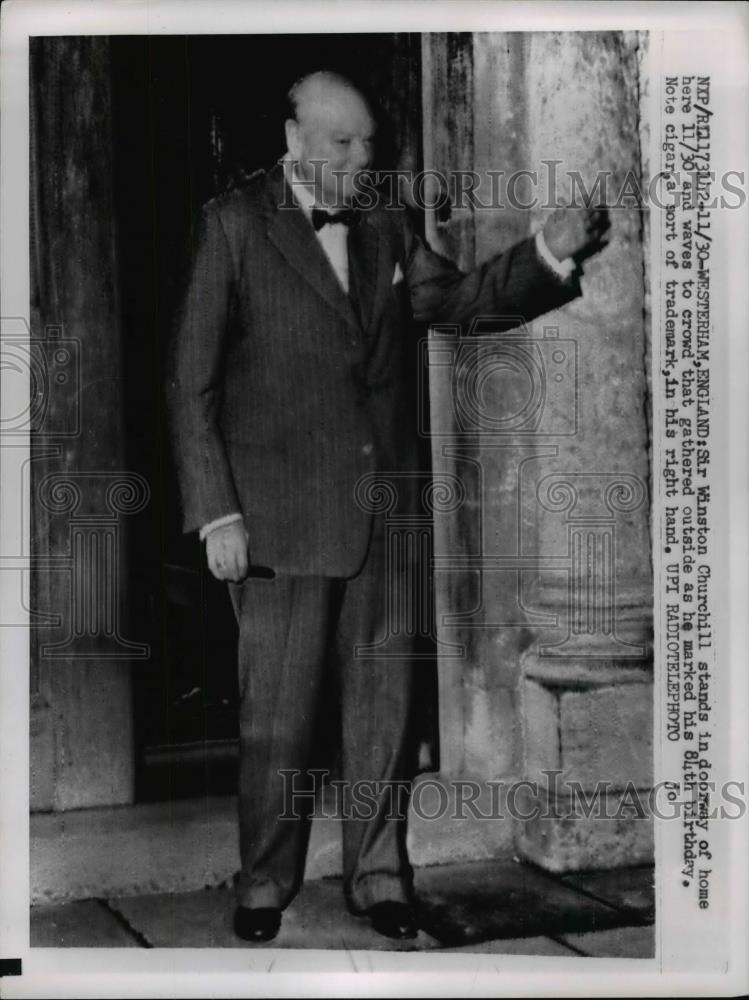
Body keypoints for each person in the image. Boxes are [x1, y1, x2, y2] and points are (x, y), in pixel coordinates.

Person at [166, 69, 609, 943]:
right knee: (274, 723)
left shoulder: (384, 222)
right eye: (343, 143)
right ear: (294, 140)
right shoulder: (231, 226)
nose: (362, 159)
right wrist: (217, 513)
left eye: (368, 141)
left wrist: (549, 253)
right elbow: (190, 384)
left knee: (383, 716)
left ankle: (379, 877)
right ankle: (263, 885)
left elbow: (458, 304)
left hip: (383, 519)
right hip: (276, 523)